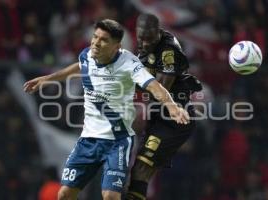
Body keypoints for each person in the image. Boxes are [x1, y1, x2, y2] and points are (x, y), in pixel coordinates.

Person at [23, 19, 190, 200]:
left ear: (116, 46)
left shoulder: (129, 64)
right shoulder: (87, 55)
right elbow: (79, 67)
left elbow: (153, 86)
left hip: (117, 142)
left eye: (103, 40)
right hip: (88, 141)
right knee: (64, 194)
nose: (95, 42)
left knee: (110, 196)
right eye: (95, 37)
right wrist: (47, 79)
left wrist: (172, 106)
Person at [125, 13, 202, 200]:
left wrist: (124, 84)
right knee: (141, 172)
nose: (143, 44)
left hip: (174, 120)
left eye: (148, 39)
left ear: (158, 33)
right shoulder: (144, 47)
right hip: (158, 119)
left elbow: (161, 88)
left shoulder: (168, 51)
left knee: (142, 168)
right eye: (140, 38)